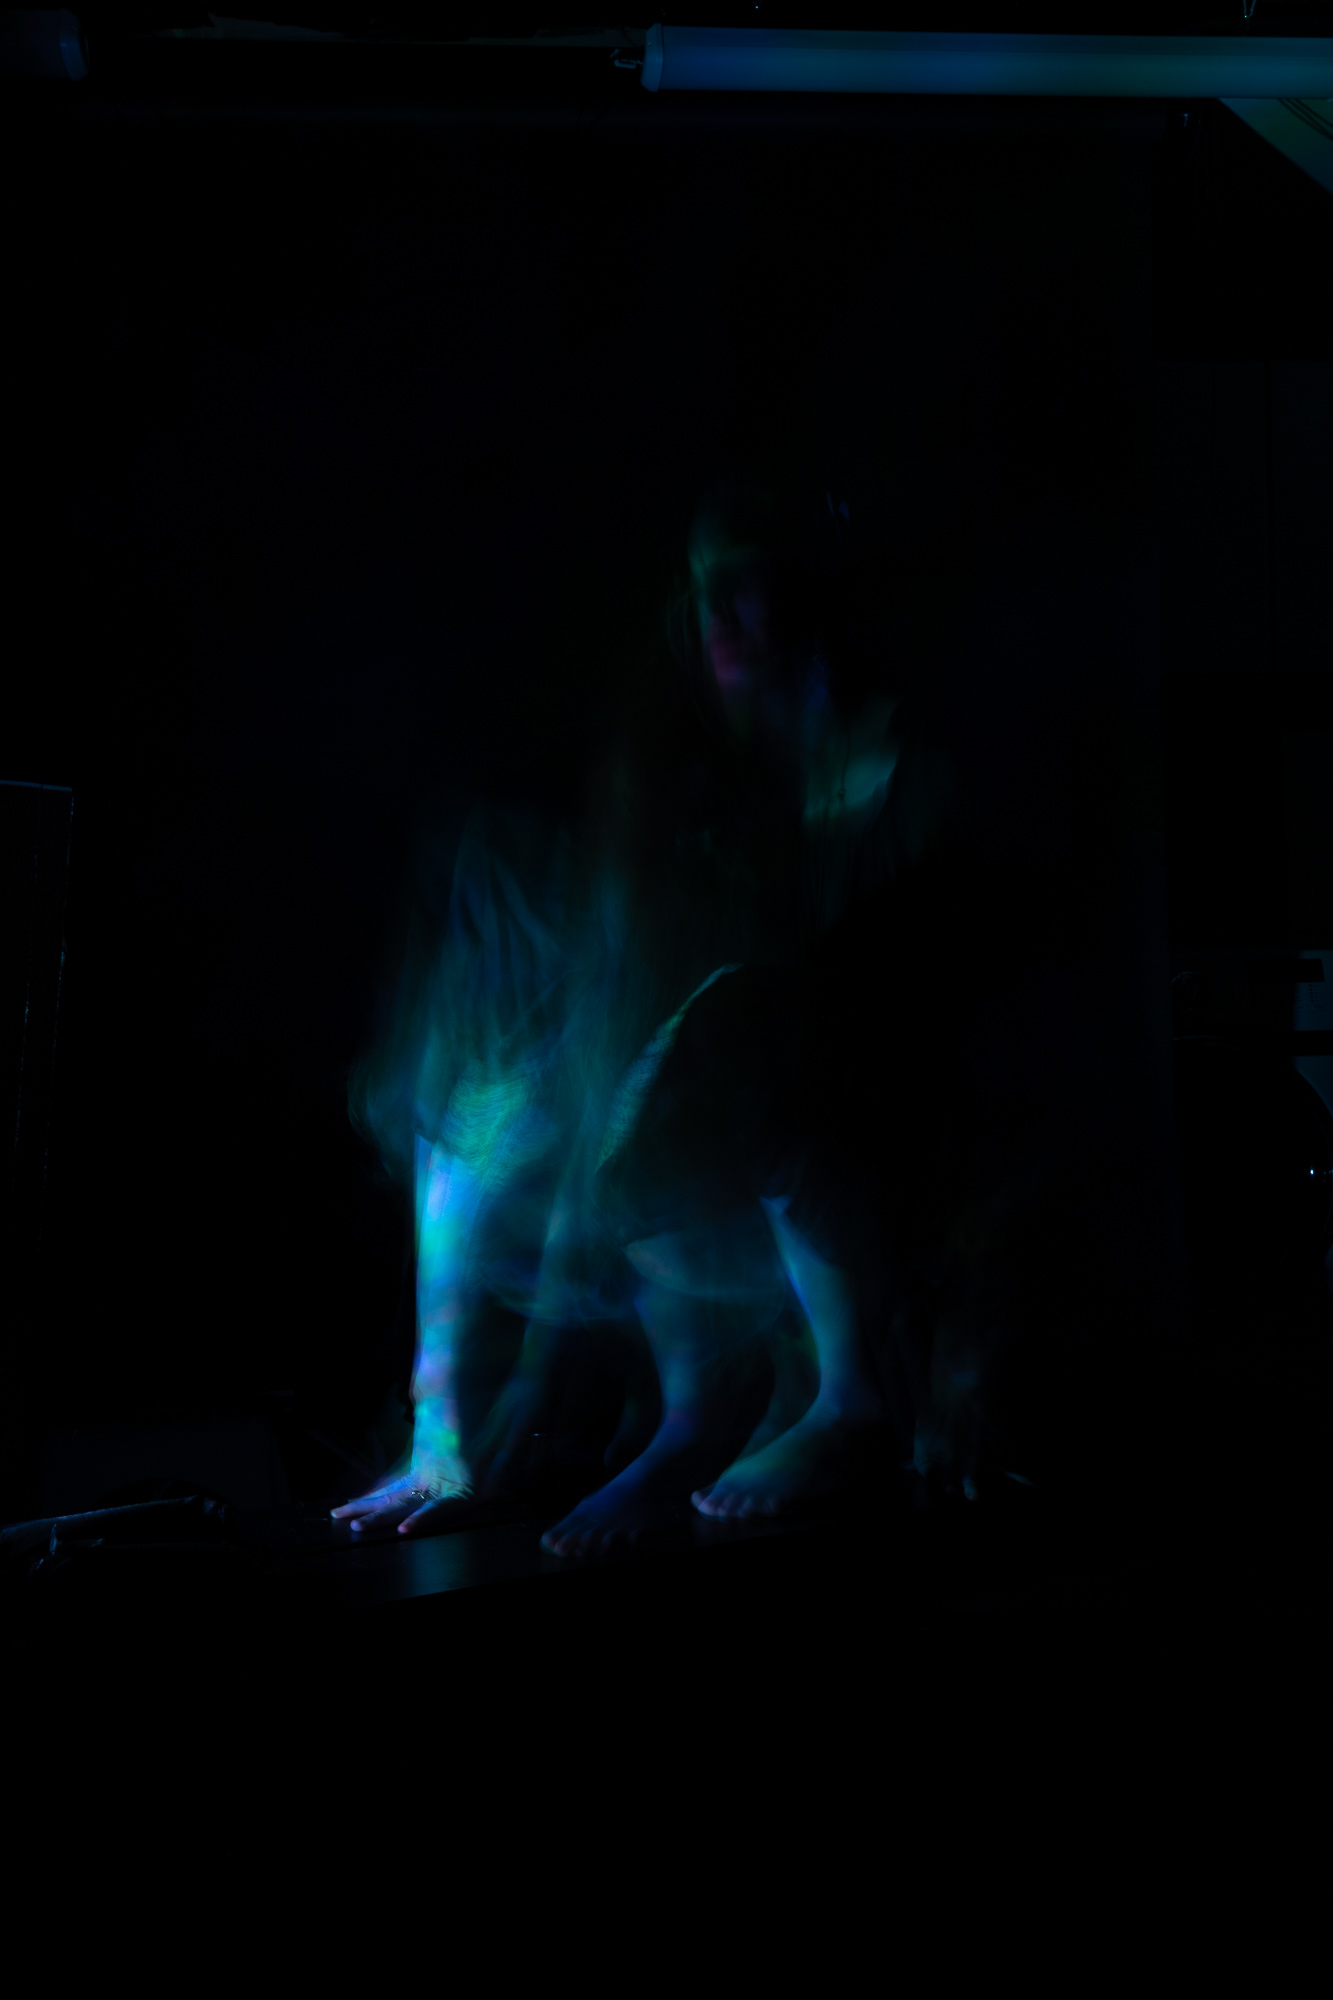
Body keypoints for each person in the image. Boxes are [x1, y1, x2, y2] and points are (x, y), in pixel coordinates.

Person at [335, 470, 975, 1551]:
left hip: (873, 1151)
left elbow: (901, 1028)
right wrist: (461, 1410)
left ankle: (846, 1398)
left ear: (813, 594)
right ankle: (476, 1422)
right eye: (701, 588)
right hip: (723, 1191)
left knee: (722, 1022)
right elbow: (588, 1045)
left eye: (744, 583)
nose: (715, 614)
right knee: (496, 1049)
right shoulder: (688, 778)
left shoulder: (905, 778)